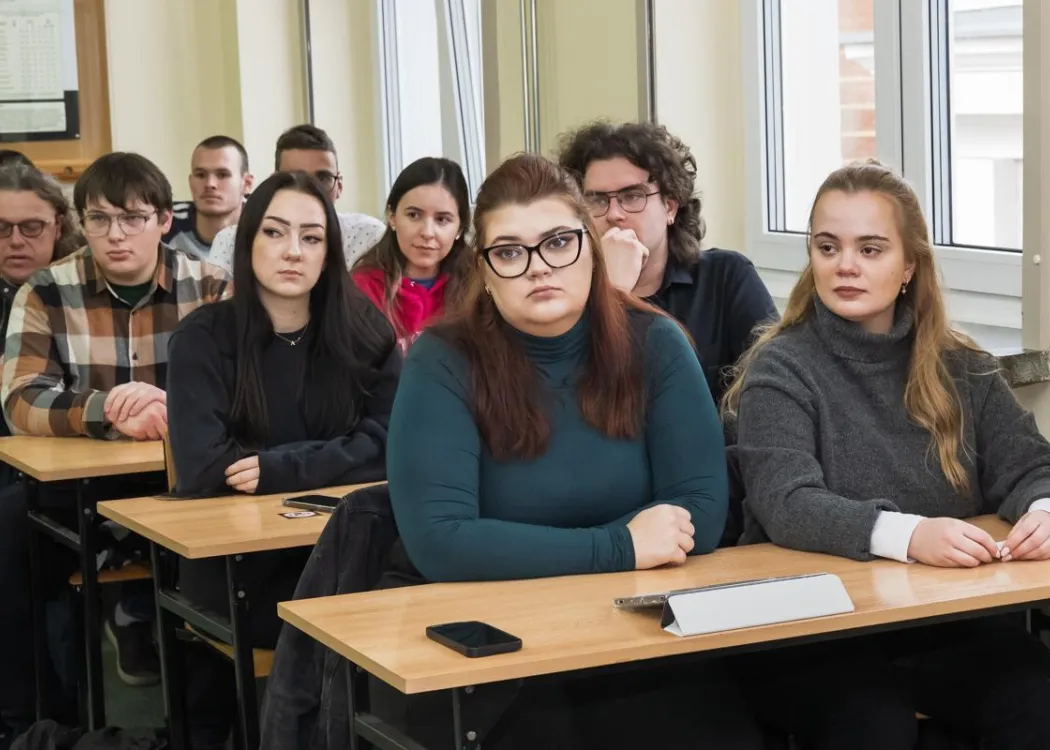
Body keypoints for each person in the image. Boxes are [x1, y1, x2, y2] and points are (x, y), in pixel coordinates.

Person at [385, 153, 762, 749]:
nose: (537, 267)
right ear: (482, 268)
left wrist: (517, 545)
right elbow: (441, 541)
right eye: (508, 251)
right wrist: (623, 544)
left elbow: (700, 512)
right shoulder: (442, 360)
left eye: (558, 241)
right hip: (494, 655)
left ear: (590, 247)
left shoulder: (656, 342)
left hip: (643, 640)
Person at [725, 160, 1050, 750]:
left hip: (946, 626)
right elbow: (787, 501)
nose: (845, 265)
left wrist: (1044, 514)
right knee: (873, 723)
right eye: (828, 247)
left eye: (870, 249)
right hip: (815, 637)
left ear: (909, 266)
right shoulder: (780, 368)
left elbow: (1031, 464)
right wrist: (910, 535)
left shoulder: (962, 365)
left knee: (1037, 697)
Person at [166, 171, 401, 750]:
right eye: (274, 232)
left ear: (331, 251)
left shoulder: (364, 330)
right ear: (248, 242)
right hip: (243, 565)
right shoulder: (204, 337)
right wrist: (349, 455)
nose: (293, 251)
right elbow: (204, 470)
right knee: (344, 630)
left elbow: (396, 443)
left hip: (351, 554)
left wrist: (281, 469)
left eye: (312, 237)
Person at [0, 152, 231, 690]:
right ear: (80, 223)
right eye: (99, 219)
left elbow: (241, 390)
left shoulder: (212, 285)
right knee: (8, 545)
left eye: (133, 218)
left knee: (220, 572)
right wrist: (108, 410)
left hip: (188, 478)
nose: (115, 234)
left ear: (164, 220)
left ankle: (209, 720)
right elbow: (20, 398)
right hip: (78, 486)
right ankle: (36, 718)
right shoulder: (46, 289)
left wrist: (166, 408)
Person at [558, 121, 778, 402]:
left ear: (670, 207)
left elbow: (777, 381)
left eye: (632, 196)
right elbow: (577, 399)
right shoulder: (565, 291)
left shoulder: (726, 277)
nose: (614, 214)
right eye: (598, 200)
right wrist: (613, 292)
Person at [0, 163, 82, 745]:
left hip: (60, 476)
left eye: (31, 227)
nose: (15, 242)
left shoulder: (72, 293)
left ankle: (31, 721)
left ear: (60, 225)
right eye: (1, 229)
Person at [209, 124, 384, 273]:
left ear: (339, 186)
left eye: (323, 178)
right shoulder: (231, 241)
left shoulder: (369, 236)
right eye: (295, 177)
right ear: (274, 184)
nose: (310, 190)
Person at [352, 156, 471, 351]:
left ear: (460, 228)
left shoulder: (478, 288)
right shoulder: (361, 289)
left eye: (442, 219)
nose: (427, 232)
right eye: (414, 215)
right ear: (392, 217)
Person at [163, 135, 254, 261]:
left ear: (246, 183)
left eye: (222, 175)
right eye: (201, 175)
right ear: (190, 182)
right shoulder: (164, 221)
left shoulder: (266, 225)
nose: (210, 184)